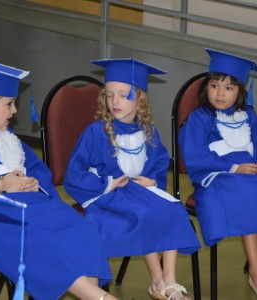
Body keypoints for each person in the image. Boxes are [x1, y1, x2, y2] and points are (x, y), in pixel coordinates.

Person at [64, 58, 201, 300]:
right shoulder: (96, 132)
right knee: (145, 213)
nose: (115, 102)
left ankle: (168, 280)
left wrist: (153, 181)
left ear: (140, 99)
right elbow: (74, 173)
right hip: (108, 195)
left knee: (172, 208)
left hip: (138, 190)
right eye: (109, 95)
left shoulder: (148, 131)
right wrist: (106, 183)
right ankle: (158, 282)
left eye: (123, 95)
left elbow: (160, 160)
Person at [0, 59, 118, 300]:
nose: (15, 111)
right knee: (47, 246)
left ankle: (96, 296)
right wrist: (2, 184)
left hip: (34, 207)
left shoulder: (8, 138)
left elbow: (38, 171)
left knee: (84, 230)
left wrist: (32, 182)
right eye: (9, 104)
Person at [179, 48, 257, 300]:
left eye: (229, 88)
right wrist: (235, 168)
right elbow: (195, 156)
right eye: (215, 85)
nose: (220, 93)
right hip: (218, 177)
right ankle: (256, 269)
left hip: (250, 173)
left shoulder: (248, 115)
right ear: (207, 87)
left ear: (241, 91)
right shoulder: (200, 118)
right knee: (246, 193)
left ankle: (254, 266)